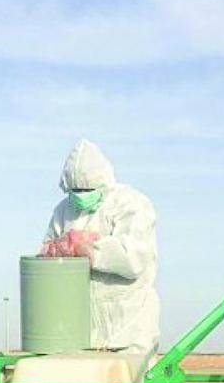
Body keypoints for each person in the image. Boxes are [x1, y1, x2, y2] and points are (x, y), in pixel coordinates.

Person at [41, 139, 160, 357]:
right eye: (75, 190)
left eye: (88, 189)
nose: (81, 195)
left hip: (129, 332)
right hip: (82, 334)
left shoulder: (131, 204)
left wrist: (89, 248)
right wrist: (53, 251)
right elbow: (46, 258)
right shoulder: (63, 211)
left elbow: (134, 259)